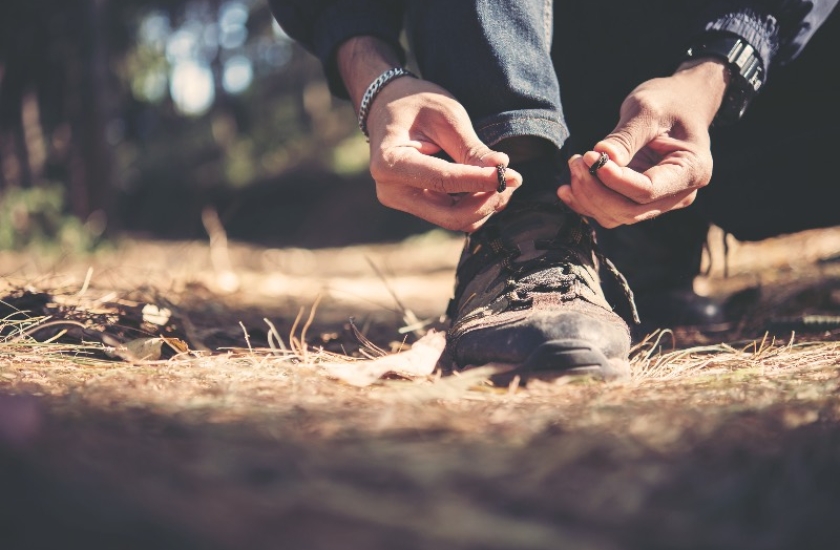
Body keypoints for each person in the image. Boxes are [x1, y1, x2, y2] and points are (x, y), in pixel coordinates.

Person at [268, 1, 840, 381]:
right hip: (535, 66)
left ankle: (653, 238)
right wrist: (376, 81)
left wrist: (718, 71)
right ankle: (531, 218)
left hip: (754, 91)